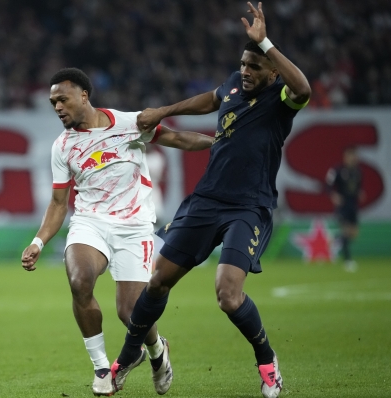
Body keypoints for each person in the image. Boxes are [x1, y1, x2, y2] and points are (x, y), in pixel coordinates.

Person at [110, 3, 311, 398]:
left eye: (255, 67)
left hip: (248, 207)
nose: (246, 73)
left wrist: (265, 43)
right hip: (206, 201)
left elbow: (304, 88)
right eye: (243, 65)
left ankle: (268, 362)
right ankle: (130, 354)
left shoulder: (280, 101)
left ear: (272, 71)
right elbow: (210, 99)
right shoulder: (234, 85)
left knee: (228, 295)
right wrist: (164, 111)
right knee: (158, 282)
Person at [20, 67, 213, 396]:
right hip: (89, 223)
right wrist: (39, 241)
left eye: (62, 99)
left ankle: (156, 351)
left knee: (129, 311)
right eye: (53, 102)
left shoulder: (130, 123)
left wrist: (220, 144)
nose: (57, 107)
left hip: (135, 227)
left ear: (84, 96)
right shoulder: (62, 147)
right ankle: (100, 368)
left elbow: (179, 139)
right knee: (80, 281)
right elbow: (57, 204)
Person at [326, 147, 363, 272]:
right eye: (350, 156)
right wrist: (334, 195)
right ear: (345, 157)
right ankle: (348, 260)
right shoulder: (337, 170)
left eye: (354, 156)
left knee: (354, 234)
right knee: (347, 231)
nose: (352, 158)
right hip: (343, 206)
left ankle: (335, 238)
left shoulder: (358, 172)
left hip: (353, 205)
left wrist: (359, 193)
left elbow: (357, 187)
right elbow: (327, 185)